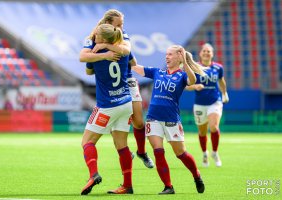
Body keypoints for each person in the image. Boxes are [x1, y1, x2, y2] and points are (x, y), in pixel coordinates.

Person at [80, 9, 154, 168]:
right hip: (111, 85)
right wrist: (103, 56)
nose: (121, 27)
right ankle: (126, 155)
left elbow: (128, 53)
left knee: (139, 122)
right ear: (108, 24)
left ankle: (141, 152)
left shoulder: (122, 34)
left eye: (122, 24)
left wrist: (106, 46)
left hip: (127, 80)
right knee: (118, 129)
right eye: (118, 24)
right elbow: (83, 56)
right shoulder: (92, 37)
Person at [131, 45, 205, 194]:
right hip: (153, 118)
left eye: (170, 54)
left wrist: (185, 62)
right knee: (158, 152)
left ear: (179, 57)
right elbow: (136, 68)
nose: (167, 57)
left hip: (171, 119)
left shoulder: (182, 75)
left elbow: (193, 79)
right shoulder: (158, 72)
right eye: (166, 54)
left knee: (181, 154)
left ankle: (196, 175)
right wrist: (125, 55)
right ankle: (168, 186)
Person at [79, 24, 134, 195]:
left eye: (96, 35)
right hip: (126, 102)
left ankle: (93, 175)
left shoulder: (95, 55)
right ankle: (127, 185)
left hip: (107, 105)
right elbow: (129, 56)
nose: (94, 37)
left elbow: (87, 69)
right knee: (122, 146)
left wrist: (98, 53)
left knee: (87, 142)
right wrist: (109, 49)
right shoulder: (123, 51)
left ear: (102, 39)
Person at [186, 43, 229, 167]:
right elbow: (186, 86)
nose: (206, 53)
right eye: (204, 51)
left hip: (215, 101)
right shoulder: (195, 67)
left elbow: (221, 81)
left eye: (208, 51)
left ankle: (214, 153)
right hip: (200, 104)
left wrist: (225, 93)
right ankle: (205, 153)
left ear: (212, 54)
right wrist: (195, 86)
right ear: (200, 53)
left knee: (214, 127)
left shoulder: (218, 68)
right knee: (202, 131)